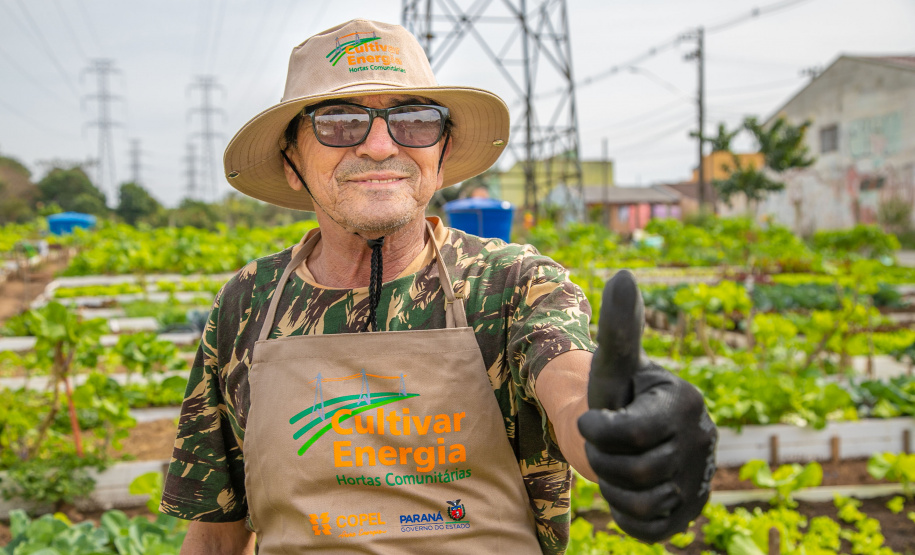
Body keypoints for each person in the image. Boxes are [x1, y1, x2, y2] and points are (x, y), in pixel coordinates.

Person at [160, 19, 717, 555]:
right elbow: (217, 534)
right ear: (291, 161)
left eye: (415, 120)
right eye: (339, 122)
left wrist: (623, 433)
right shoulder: (248, 303)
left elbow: (570, 387)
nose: (381, 146)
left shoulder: (512, 285)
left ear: (442, 154)